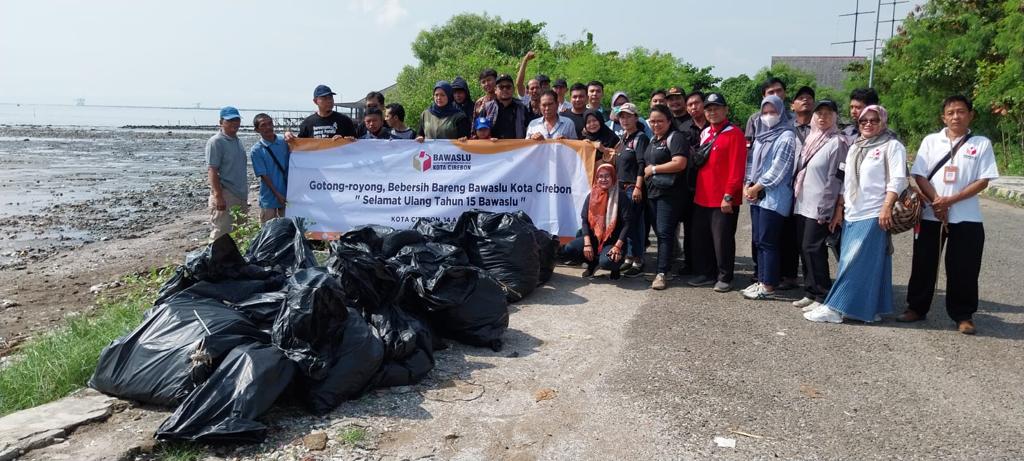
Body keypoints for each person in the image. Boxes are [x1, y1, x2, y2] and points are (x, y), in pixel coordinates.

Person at [899, 95, 1000, 335]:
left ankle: (963, 315)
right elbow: (920, 175)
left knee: (964, 267)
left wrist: (950, 201)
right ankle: (916, 308)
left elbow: (983, 180)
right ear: (943, 117)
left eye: (961, 111)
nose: (956, 116)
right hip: (931, 214)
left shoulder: (981, 143)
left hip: (967, 216)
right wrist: (936, 202)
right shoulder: (931, 141)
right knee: (924, 263)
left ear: (970, 115)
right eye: (951, 112)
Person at [804, 105, 908, 323]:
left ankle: (835, 308)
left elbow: (898, 179)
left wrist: (887, 206)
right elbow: (847, 180)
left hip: (873, 212)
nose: (868, 124)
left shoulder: (892, 146)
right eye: (863, 121)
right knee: (867, 262)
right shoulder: (856, 146)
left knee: (852, 261)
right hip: (853, 212)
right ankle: (869, 309)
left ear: (883, 122)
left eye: (874, 120)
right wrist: (840, 209)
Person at [790, 100, 847, 309]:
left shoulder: (838, 142)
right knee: (804, 248)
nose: (823, 118)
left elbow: (837, 177)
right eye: (819, 113)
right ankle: (810, 290)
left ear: (835, 117)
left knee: (813, 248)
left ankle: (822, 293)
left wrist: (829, 208)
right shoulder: (811, 139)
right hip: (802, 202)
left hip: (820, 205)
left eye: (828, 114)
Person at [687, 93, 746, 292]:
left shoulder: (735, 133)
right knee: (701, 238)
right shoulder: (705, 133)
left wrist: (729, 195)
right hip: (702, 196)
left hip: (723, 198)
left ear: (725, 110)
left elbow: (737, 168)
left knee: (722, 240)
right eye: (709, 109)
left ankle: (725, 276)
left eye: (716, 108)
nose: (712, 112)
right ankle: (705, 273)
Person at [742, 95, 798, 300]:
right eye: (764, 112)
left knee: (768, 241)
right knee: (759, 240)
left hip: (773, 197)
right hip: (757, 195)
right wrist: (748, 184)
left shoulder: (787, 136)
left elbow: (779, 169)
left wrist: (757, 186)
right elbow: (751, 163)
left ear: (781, 112)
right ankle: (762, 280)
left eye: (772, 112)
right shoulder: (761, 135)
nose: (768, 116)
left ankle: (768, 284)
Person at [642, 104, 689, 290]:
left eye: (660, 121)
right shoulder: (654, 139)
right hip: (653, 193)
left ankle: (662, 273)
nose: (656, 124)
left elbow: (680, 163)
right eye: (652, 121)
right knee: (661, 232)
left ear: (669, 121)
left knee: (664, 233)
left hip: (669, 194)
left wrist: (653, 169)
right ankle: (665, 267)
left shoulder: (675, 138)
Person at [562, 163, 633, 279]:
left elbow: (627, 224)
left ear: (613, 177)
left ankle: (615, 268)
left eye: (607, 176)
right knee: (570, 249)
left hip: (614, 241)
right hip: (594, 238)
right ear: (596, 178)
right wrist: (587, 243)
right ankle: (592, 264)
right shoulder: (592, 195)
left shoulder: (621, 196)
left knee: (607, 261)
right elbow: (585, 220)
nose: (603, 179)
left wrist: (617, 246)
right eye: (600, 176)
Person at [613, 103, 649, 276]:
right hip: (620, 188)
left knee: (635, 224)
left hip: (632, 188)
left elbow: (642, 164)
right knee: (626, 224)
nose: (625, 119)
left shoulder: (640, 137)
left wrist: (638, 187)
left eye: (628, 116)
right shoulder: (623, 139)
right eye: (622, 116)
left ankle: (639, 259)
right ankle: (628, 256)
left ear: (636, 117)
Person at [664, 85, 697, 275]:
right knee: (668, 226)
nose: (674, 102)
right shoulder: (666, 122)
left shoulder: (693, 122)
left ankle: (691, 263)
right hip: (670, 183)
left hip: (690, 182)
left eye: (678, 98)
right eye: (671, 99)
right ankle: (668, 262)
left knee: (691, 228)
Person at [207, 106, 249, 240]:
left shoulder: (237, 140)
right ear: (221, 122)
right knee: (221, 234)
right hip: (226, 194)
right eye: (230, 120)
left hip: (240, 195)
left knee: (239, 234)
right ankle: (213, 261)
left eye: (236, 120)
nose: (234, 123)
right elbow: (212, 170)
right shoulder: (216, 141)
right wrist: (218, 196)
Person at [249, 113, 289, 224]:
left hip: (288, 194)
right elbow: (264, 175)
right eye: (263, 125)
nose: (268, 127)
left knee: (288, 230)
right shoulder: (256, 150)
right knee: (268, 232)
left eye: (270, 123)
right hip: (269, 197)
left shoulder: (284, 142)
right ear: (257, 130)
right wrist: (277, 194)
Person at [289, 85, 357, 140]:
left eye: (330, 97)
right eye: (324, 98)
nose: (329, 101)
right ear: (315, 101)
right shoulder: (307, 123)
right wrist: (288, 136)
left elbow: (356, 145)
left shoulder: (345, 121)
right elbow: (300, 146)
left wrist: (344, 141)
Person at [481, 73, 530, 139]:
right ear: (495, 90)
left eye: (508, 87)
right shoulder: (487, 108)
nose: (505, 89)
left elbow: (530, 130)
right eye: (501, 87)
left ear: (513, 89)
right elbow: (478, 131)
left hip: (517, 148)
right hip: (493, 148)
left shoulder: (522, 108)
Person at [744, 78, 787, 149]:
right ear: (763, 96)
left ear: (785, 93)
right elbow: (748, 145)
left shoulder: (793, 118)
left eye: (779, 91)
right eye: (771, 92)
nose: (776, 95)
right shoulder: (754, 119)